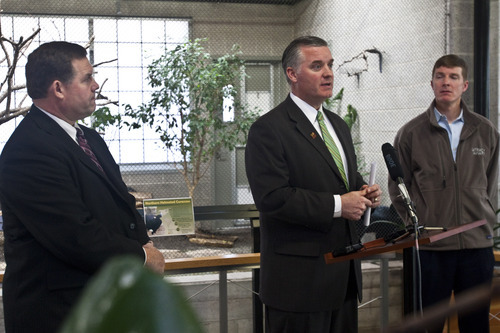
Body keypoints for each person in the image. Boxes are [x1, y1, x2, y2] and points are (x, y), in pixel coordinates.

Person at [0, 41, 165, 333]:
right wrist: (140, 256)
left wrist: (145, 243)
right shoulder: (28, 150)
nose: (96, 85)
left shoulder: (88, 138)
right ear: (58, 88)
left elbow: (120, 202)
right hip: (59, 314)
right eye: (87, 78)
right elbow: (74, 234)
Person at [245, 36, 382, 333]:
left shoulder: (338, 125)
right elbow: (273, 198)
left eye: (330, 65)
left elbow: (341, 178)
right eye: (317, 66)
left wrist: (363, 191)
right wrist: (339, 205)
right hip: (299, 286)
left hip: (343, 277)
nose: (329, 73)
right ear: (292, 74)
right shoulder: (268, 129)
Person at [389, 54, 499, 332]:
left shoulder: (485, 131)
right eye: (440, 76)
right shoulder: (410, 133)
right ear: (432, 83)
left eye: (453, 77)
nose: (446, 82)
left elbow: (492, 184)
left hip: (477, 248)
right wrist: (417, 226)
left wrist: (484, 219)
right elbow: (398, 188)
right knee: (429, 325)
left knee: (476, 325)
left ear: (465, 85)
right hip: (431, 250)